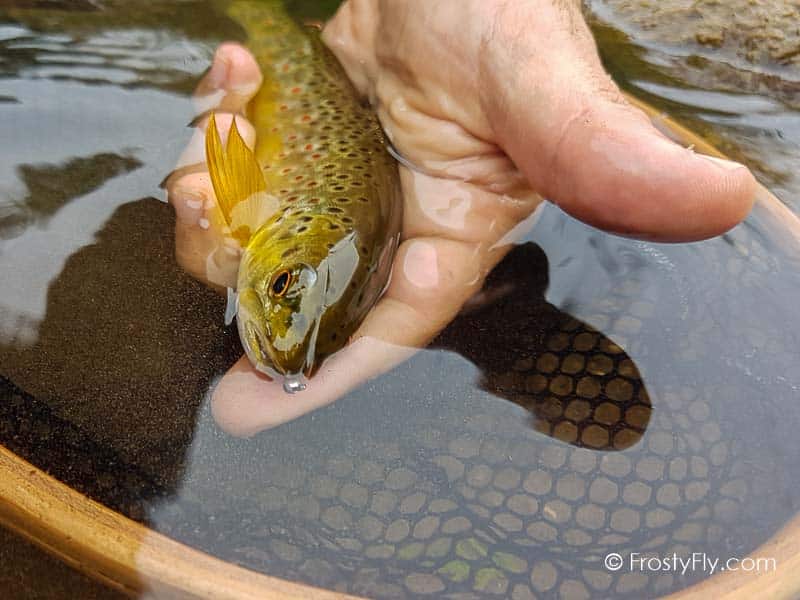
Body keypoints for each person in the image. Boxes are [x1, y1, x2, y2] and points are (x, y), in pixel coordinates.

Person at [166, 0, 756, 436]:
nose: (275, 314)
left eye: (279, 284)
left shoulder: (279, 232)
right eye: (279, 282)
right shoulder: (287, 225)